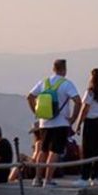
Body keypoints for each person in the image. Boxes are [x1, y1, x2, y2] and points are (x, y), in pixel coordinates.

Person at [27, 59, 82, 187]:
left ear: (53, 68)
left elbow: (29, 96)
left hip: (44, 122)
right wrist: (73, 118)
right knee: (55, 151)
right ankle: (48, 179)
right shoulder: (66, 84)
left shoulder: (43, 82)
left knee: (43, 150)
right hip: (61, 122)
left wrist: (36, 111)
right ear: (64, 69)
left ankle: (37, 178)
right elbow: (78, 101)